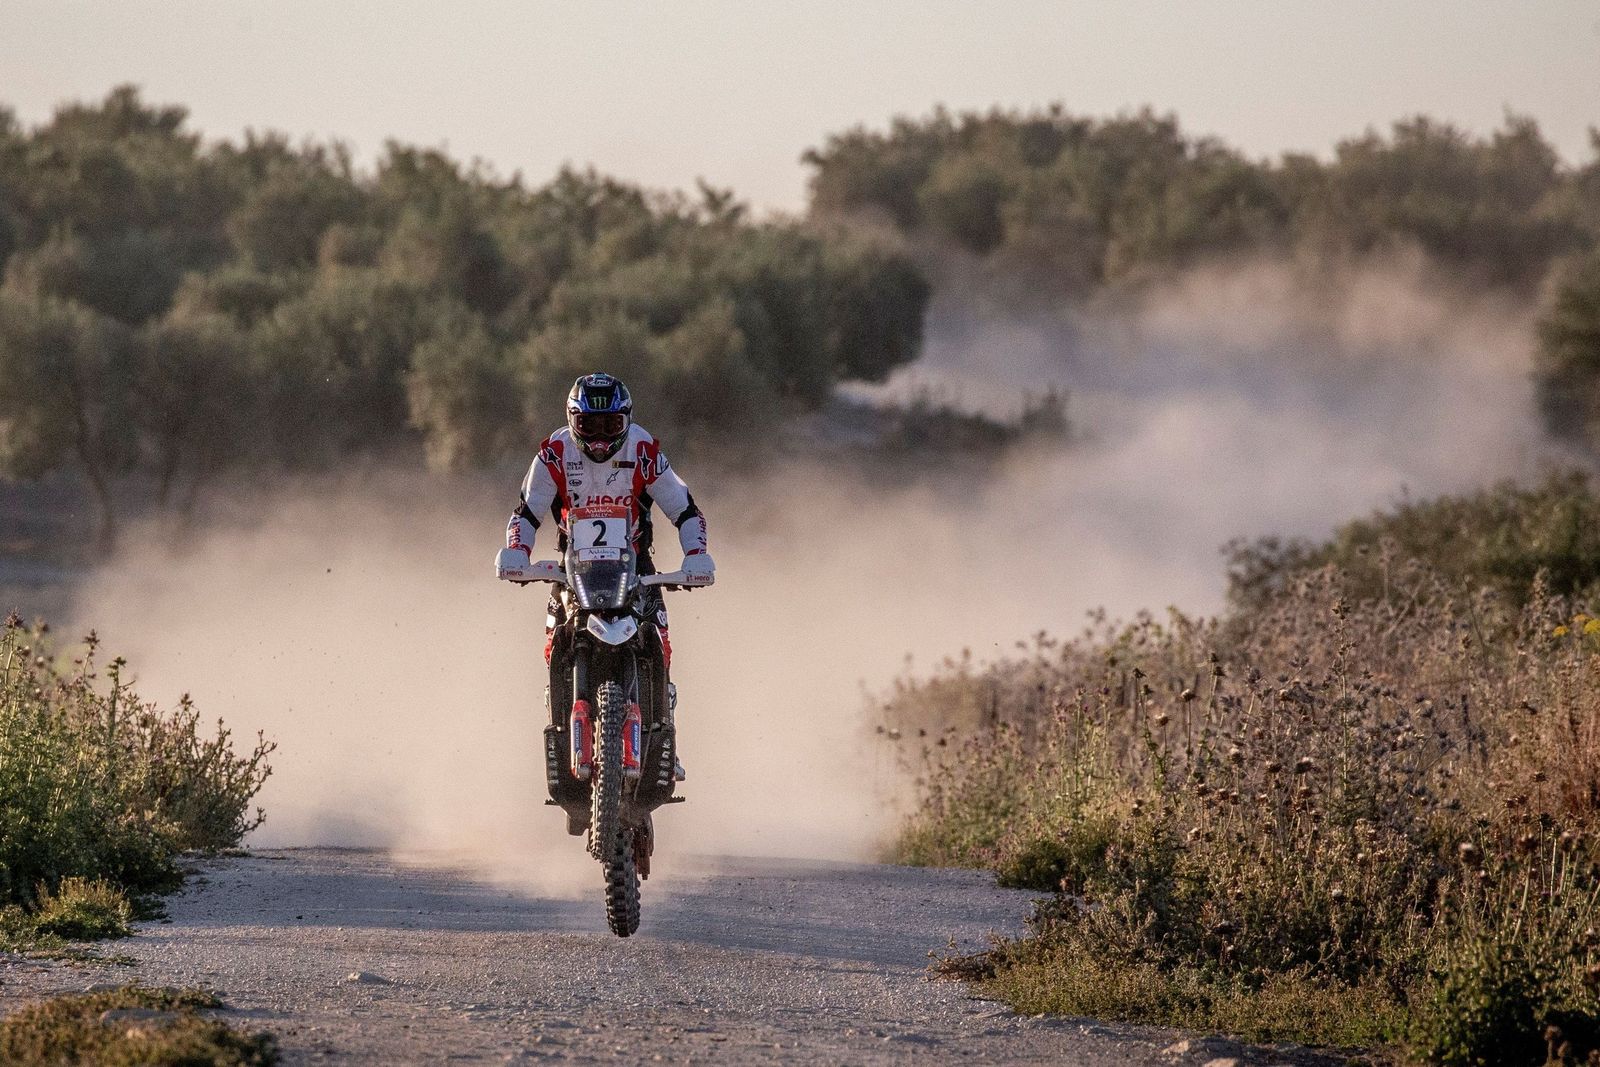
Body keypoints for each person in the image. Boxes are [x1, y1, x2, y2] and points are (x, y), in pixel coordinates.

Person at [497, 372, 713, 797]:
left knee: (661, 644)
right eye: (589, 426)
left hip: (635, 566)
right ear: (572, 421)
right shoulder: (554, 453)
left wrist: (696, 554)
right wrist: (517, 552)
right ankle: (561, 724)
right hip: (572, 568)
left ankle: (666, 736)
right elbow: (526, 513)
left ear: (626, 422)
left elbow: (685, 509)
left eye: (610, 426)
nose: (598, 439)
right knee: (554, 643)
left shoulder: (644, 450)